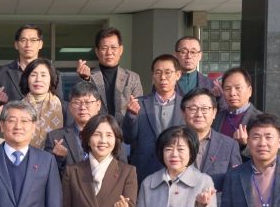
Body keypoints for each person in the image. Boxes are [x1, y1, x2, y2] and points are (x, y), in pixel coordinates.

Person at [123, 54, 185, 183]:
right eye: (158, 73)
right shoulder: (139, 104)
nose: (163, 77)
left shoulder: (187, 105)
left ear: (178, 75)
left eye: (168, 72)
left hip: (179, 171)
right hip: (145, 171)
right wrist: (131, 116)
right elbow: (128, 138)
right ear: (153, 76)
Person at [181, 87, 241, 196]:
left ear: (214, 112)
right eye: (193, 109)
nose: (199, 114)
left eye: (204, 109)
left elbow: (235, 185)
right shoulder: (171, 143)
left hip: (216, 205)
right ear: (183, 113)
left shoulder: (229, 146)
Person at [77, 27, 143, 122]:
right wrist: (85, 79)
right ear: (97, 51)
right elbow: (81, 102)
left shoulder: (132, 78)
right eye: (104, 48)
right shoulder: (88, 77)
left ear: (121, 50)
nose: (109, 52)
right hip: (96, 128)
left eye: (113, 48)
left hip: (125, 129)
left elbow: (139, 110)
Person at [0, 24, 62, 105]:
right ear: (16, 44)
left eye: (33, 40)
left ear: (40, 44)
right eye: (23, 40)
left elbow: (59, 103)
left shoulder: (52, 73)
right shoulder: (1, 73)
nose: (28, 45)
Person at [45, 81, 103, 176]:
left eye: (88, 102)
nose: (82, 107)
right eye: (77, 102)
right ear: (70, 106)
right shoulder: (55, 137)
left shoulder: (110, 134)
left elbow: (121, 168)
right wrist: (58, 158)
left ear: (98, 105)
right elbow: (48, 175)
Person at [212, 67, 262, 160]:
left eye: (238, 88)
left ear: (250, 91)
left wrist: (245, 144)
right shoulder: (216, 117)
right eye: (227, 88)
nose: (232, 93)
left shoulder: (260, 119)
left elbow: (266, 154)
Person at [21, 58, 64, 149]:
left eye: (43, 75)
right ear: (27, 79)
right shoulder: (17, 108)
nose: (38, 79)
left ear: (51, 79)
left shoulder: (64, 107)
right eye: (33, 75)